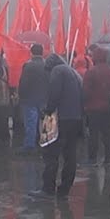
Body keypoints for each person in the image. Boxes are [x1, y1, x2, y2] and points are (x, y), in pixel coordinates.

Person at [36, 54, 85, 198]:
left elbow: (54, 94)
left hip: (62, 118)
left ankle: (48, 189)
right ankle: (64, 190)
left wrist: (47, 110)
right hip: (75, 118)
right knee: (70, 155)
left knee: (51, 153)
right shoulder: (73, 73)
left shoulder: (57, 71)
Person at [82, 47, 110, 166]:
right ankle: (108, 158)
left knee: (94, 134)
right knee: (108, 134)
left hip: (93, 108)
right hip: (108, 107)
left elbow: (86, 91)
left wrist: (84, 104)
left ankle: (92, 159)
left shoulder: (91, 72)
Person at [18, 45, 50, 154]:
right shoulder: (47, 65)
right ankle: (45, 143)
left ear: (31, 53)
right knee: (44, 123)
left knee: (31, 123)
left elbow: (23, 83)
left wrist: (21, 96)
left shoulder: (28, 66)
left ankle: (29, 145)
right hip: (44, 98)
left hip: (29, 98)